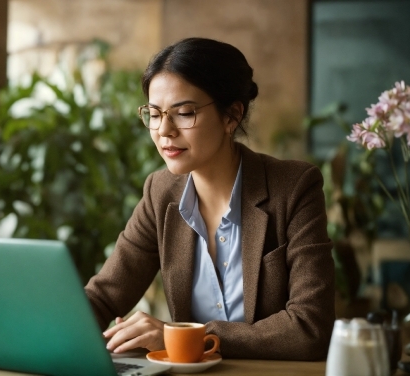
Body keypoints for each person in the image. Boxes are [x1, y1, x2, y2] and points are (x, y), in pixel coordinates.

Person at [84, 37, 335, 360]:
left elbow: (310, 327)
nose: (165, 131)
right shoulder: (160, 193)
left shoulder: (294, 187)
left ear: (231, 116)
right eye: (155, 114)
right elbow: (103, 297)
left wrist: (182, 337)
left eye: (184, 113)